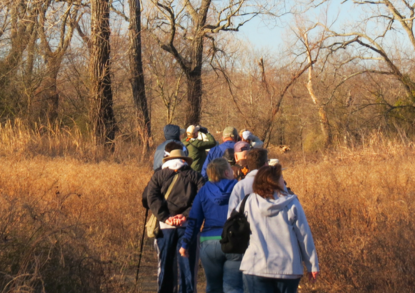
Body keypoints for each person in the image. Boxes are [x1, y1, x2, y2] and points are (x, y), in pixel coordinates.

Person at [238, 165, 319, 293]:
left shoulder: (248, 202)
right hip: (288, 268)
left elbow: (236, 225)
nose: (283, 179)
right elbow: (304, 235)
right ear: (274, 181)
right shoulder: (291, 202)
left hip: (255, 265)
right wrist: (312, 264)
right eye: (281, 177)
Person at [179, 158, 243, 293]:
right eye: (231, 170)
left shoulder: (203, 191)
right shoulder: (238, 188)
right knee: (234, 287)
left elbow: (194, 220)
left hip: (209, 242)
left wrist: (185, 243)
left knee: (213, 287)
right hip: (234, 241)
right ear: (226, 173)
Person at [147, 148, 205, 293]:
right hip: (188, 227)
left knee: (166, 265)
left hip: (164, 227)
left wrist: (166, 217)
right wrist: (185, 215)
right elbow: (200, 200)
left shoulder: (158, 176)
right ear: (184, 160)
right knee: (187, 267)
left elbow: (152, 199)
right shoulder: (196, 176)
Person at [227, 148, 269, 217]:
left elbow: (231, 215)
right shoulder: (272, 184)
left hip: (245, 226)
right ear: (265, 164)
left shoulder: (239, 186)